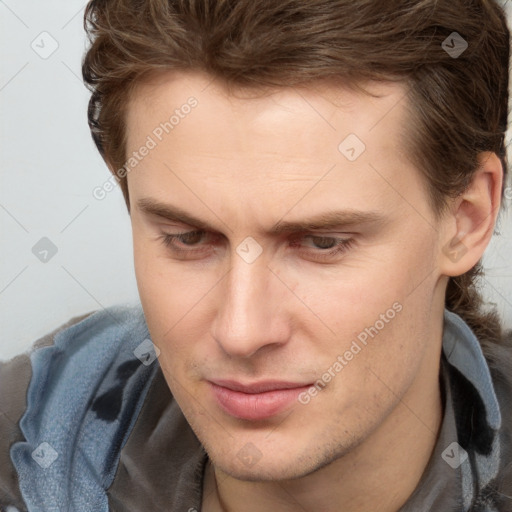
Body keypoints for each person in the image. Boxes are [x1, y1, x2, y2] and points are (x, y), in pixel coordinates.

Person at [1, 0, 512, 510]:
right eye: (188, 237)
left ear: (466, 219)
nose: (241, 332)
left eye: (322, 243)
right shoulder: (25, 437)